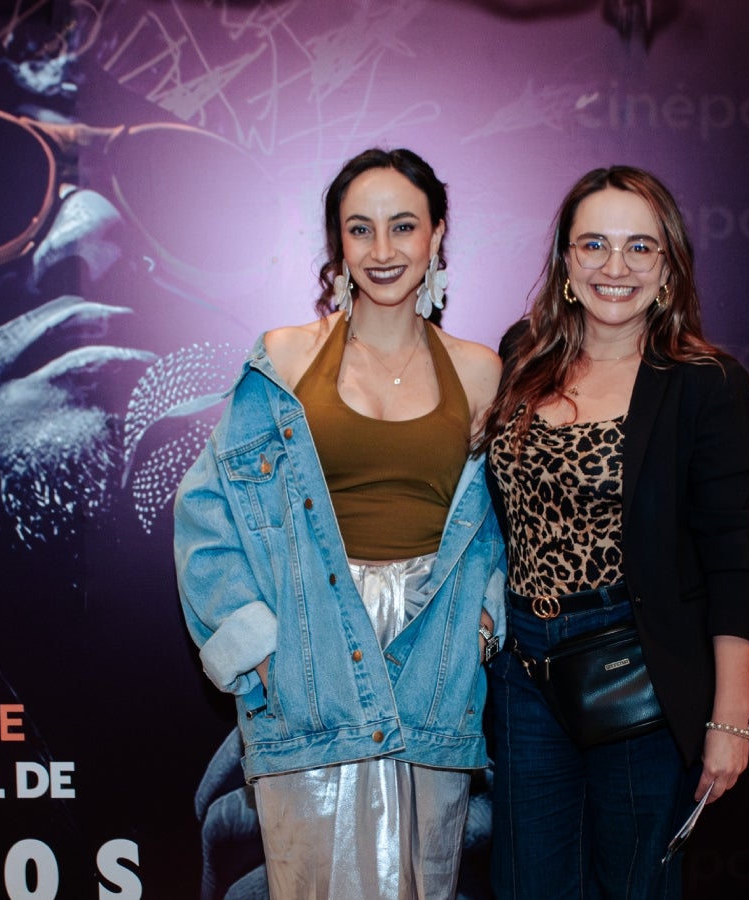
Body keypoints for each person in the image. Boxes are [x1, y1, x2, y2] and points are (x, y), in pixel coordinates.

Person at [173, 147, 506, 900]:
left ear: (437, 235)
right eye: (361, 230)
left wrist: (483, 622)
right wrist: (254, 641)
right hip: (313, 654)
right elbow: (205, 506)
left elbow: (500, 521)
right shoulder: (286, 361)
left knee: (426, 884)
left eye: (402, 227)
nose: (382, 251)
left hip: (431, 661)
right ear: (339, 246)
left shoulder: (482, 370)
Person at [476, 165, 749, 898]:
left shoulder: (703, 383)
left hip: (635, 673)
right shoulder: (521, 355)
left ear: (668, 268)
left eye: (641, 247)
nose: (615, 267)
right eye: (594, 244)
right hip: (522, 671)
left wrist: (730, 720)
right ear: (566, 262)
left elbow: (729, 558)